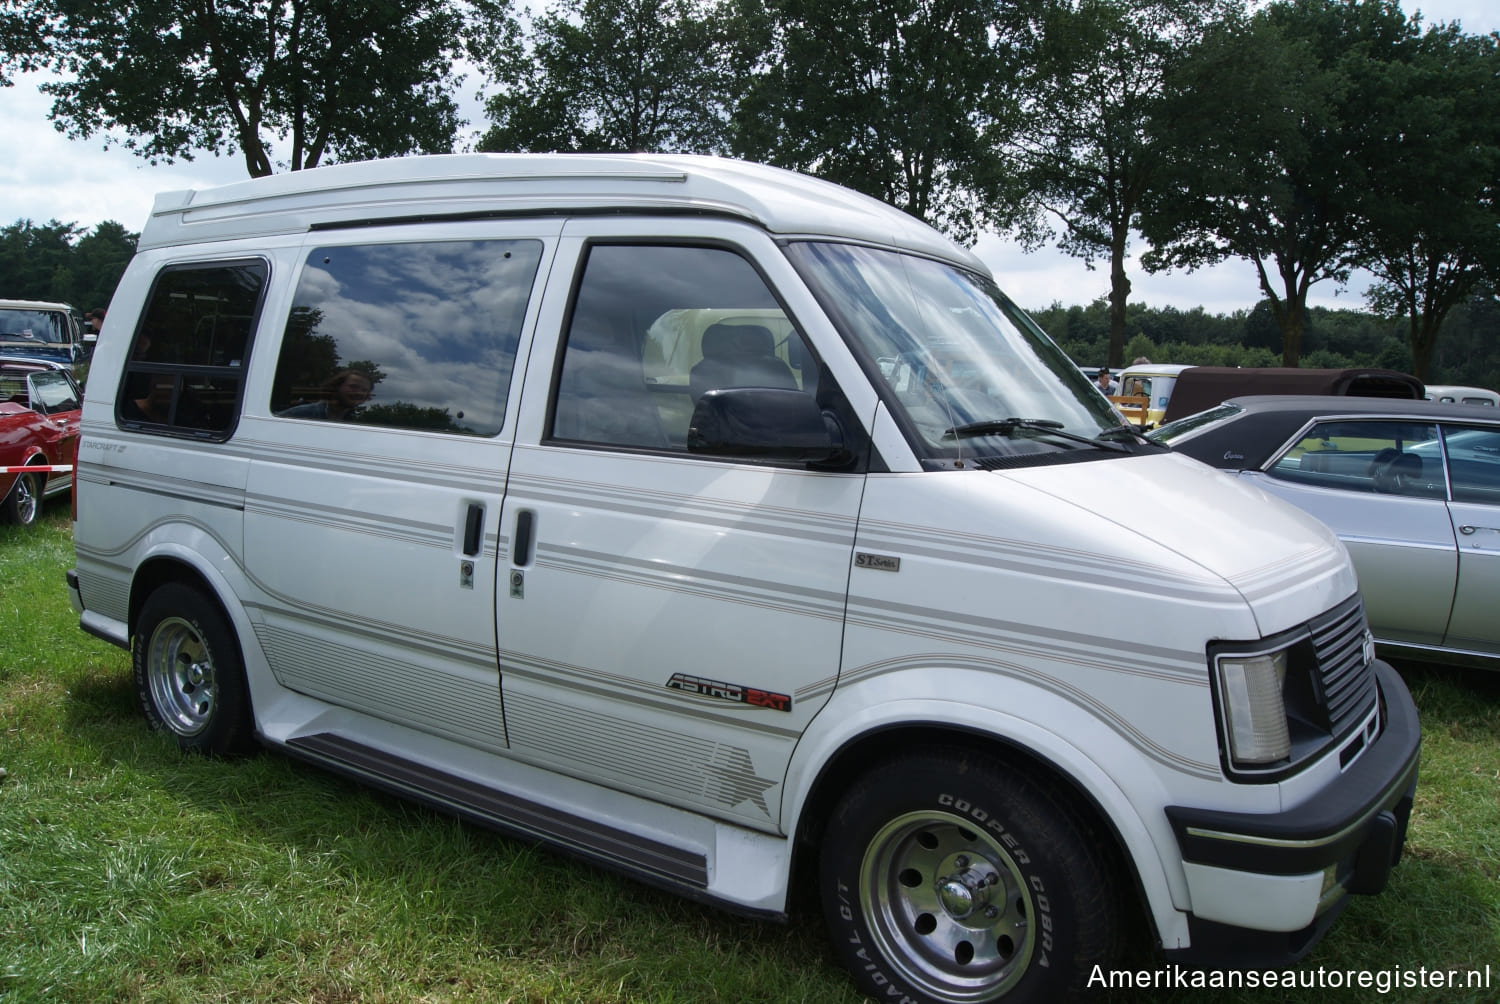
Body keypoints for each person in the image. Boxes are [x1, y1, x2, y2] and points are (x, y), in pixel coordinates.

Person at [279, 369, 373, 421]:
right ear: (336, 386)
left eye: (364, 390)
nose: (359, 392)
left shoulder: (355, 423)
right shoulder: (301, 414)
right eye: (353, 387)